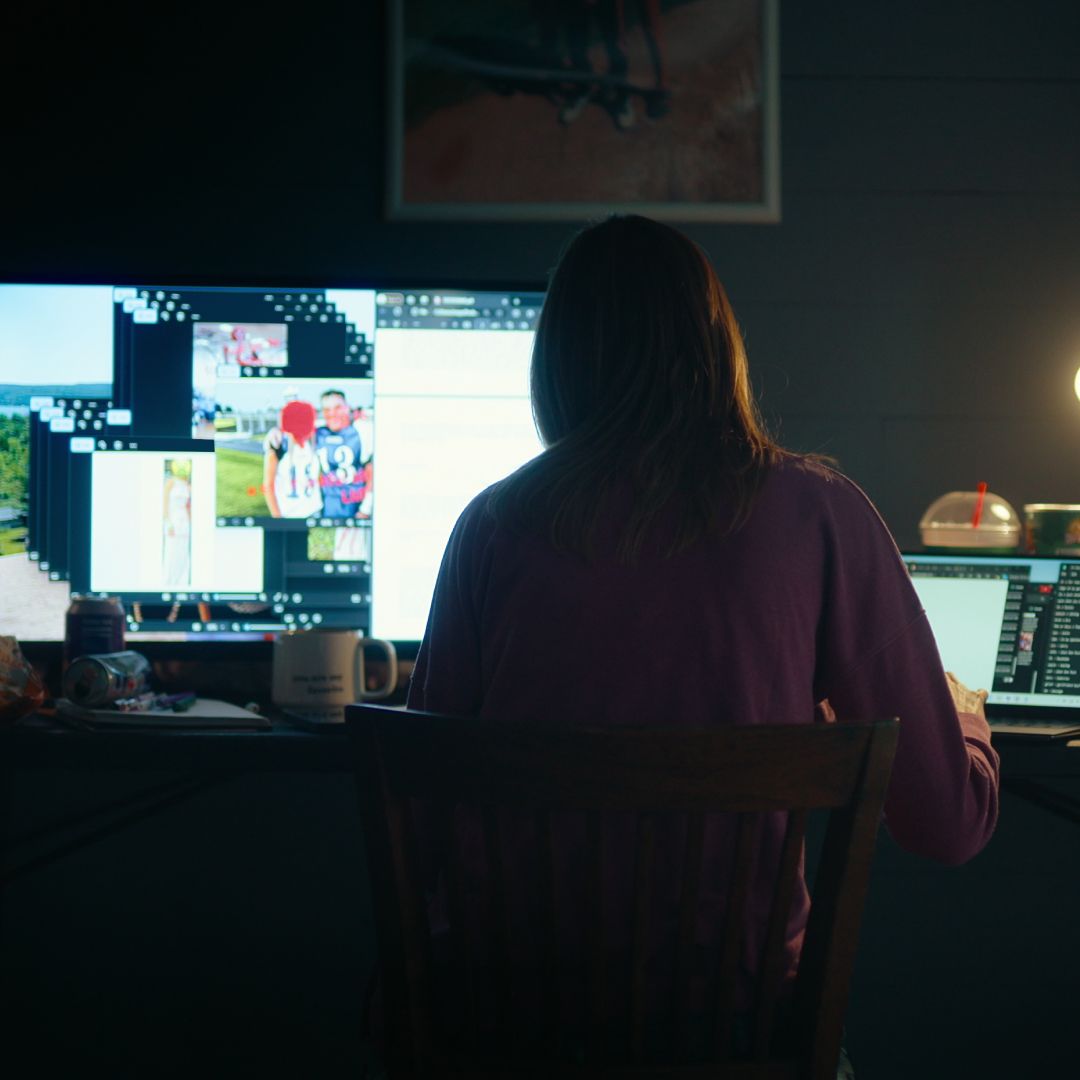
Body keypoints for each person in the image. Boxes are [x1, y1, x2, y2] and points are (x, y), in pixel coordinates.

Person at [405, 215, 1000, 1069]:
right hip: (737, 1037)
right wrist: (962, 717)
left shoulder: (490, 527)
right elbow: (945, 824)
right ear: (718, 349)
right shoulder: (819, 514)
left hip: (506, 1033)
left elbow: (426, 806)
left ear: (557, 364)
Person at [313, 389, 372, 519]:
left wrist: (365, 509)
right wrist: (275, 433)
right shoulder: (319, 433)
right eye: (327, 410)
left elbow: (372, 474)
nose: (332, 414)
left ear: (347, 408)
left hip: (355, 512)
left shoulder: (362, 431)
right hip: (327, 512)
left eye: (338, 408)